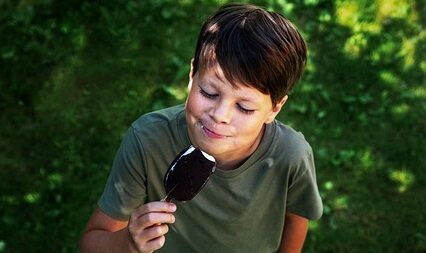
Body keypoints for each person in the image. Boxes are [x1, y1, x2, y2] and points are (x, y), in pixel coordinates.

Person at [80, 3, 322, 253]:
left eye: (245, 107)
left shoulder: (291, 155)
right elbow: (91, 243)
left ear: (275, 108)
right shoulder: (147, 142)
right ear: (192, 73)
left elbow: (296, 217)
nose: (220, 116)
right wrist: (127, 243)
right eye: (209, 92)